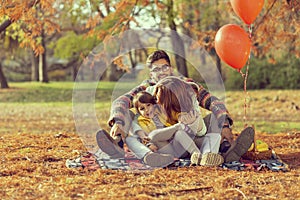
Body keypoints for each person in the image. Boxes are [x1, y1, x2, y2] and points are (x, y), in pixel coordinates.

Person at [96, 49, 254, 164]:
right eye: (156, 69)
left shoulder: (185, 84)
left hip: (188, 136)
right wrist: (118, 121)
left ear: (170, 68)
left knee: (213, 118)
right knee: (128, 117)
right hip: (163, 141)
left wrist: (224, 124)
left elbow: (213, 101)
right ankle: (118, 146)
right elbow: (121, 101)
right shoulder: (146, 89)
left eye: (164, 67)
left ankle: (225, 150)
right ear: (151, 74)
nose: (162, 72)